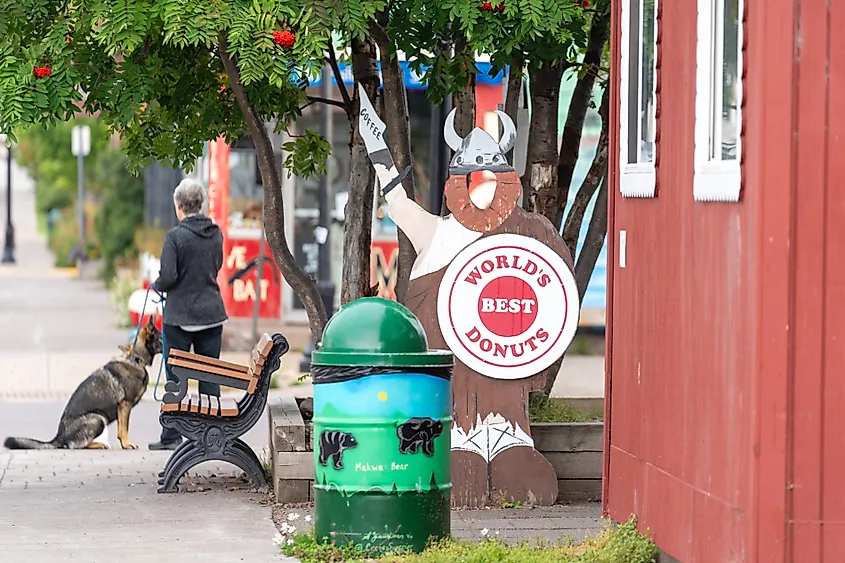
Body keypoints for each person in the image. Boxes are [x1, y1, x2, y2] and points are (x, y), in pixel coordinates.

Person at [148, 179, 228, 450]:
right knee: (210, 375)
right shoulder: (216, 233)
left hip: (179, 317)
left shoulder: (175, 237)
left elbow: (168, 276)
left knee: (175, 378)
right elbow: (216, 266)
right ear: (200, 204)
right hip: (211, 314)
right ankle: (211, 433)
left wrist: (157, 284)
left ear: (178, 206)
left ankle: (171, 436)